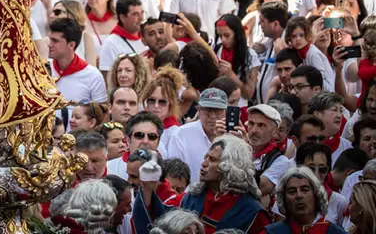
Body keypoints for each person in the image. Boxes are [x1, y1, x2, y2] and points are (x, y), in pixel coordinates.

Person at [134, 135, 271, 234]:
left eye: (212, 159)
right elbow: (161, 224)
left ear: (230, 167)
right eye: (205, 157)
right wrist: (147, 188)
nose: (203, 163)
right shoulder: (192, 198)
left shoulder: (252, 212)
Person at [48, 18, 106, 125]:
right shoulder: (42, 69)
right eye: (50, 39)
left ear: (71, 45)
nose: (49, 44)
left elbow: (101, 116)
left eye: (55, 41)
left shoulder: (93, 75)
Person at [166, 88, 228, 184]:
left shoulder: (233, 136)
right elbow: (174, 177)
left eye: (217, 111)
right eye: (207, 110)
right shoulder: (180, 135)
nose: (212, 116)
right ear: (198, 110)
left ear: (225, 112)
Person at [263, 166, 347, 234]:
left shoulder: (336, 232)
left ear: (316, 195)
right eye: (292, 191)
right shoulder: (270, 232)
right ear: (284, 199)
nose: (299, 195)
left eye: (305, 190)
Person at [294, 142, 348, 225]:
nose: (316, 175)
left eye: (322, 169)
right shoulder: (289, 196)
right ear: (299, 167)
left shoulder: (339, 201)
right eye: (310, 168)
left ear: (328, 170)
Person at [99, 0, 147, 74]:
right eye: (135, 14)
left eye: (142, 13)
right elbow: (107, 78)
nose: (141, 18)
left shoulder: (148, 36)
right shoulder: (111, 43)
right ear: (123, 18)